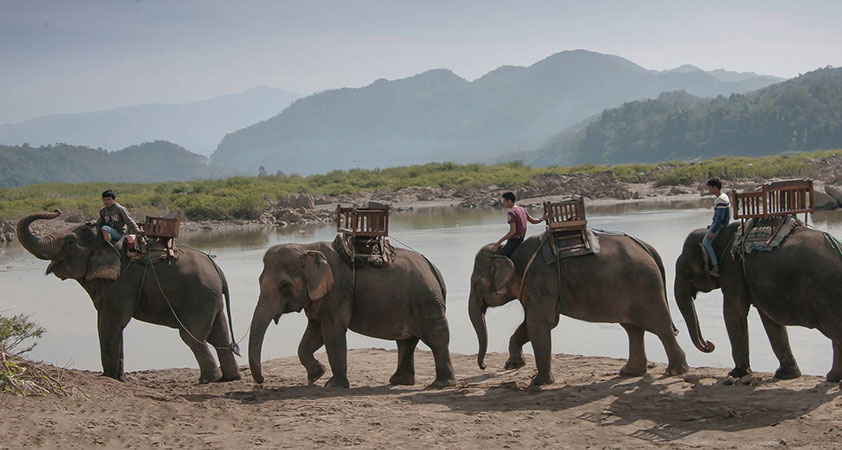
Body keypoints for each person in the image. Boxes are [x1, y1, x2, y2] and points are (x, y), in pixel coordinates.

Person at [492, 192, 545, 258]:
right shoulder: (522, 209)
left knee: (500, 258)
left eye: (504, 201)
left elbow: (513, 231)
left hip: (514, 241)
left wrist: (499, 243)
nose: (503, 203)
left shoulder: (511, 213)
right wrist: (542, 219)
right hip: (521, 239)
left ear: (509, 201)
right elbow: (533, 221)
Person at [703, 177, 730, 276]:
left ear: (715, 187)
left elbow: (719, 218)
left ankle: (715, 266)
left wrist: (713, 231)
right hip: (719, 223)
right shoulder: (722, 197)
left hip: (721, 225)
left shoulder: (721, 199)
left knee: (706, 242)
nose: (709, 190)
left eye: (709, 187)